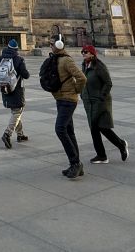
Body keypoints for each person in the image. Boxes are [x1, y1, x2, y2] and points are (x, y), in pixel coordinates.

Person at [80, 45, 129, 163]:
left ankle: (121, 145)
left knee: (102, 127)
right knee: (94, 129)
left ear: (92, 54)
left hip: (100, 102)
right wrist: (82, 94)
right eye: (82, 52)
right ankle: (102, 155)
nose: (83, 54)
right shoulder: (85, 65)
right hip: (89, 102)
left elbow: (108, 83)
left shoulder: (99, 66)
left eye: (85, 52)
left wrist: (101, 97)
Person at [47, 39, 87, 179]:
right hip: (61, 98)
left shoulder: (66, 60)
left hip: (68, 100)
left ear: (57, 45)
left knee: (60, 129)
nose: (50, 46)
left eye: (51, 44)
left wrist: (76, 90)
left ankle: (75, 163)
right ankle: (76, 165)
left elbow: (82, 78)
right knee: (69, 131)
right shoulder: (57, 58)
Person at [0, 39, 30, 148]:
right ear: (16, 49)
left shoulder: (2, 58)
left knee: (15, 111)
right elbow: (26, 75)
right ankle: (7, 134)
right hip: (16, 90)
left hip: (5, 88)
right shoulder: (18, 59)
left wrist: (4, 77)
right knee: (17, 111)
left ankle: (20, 134)